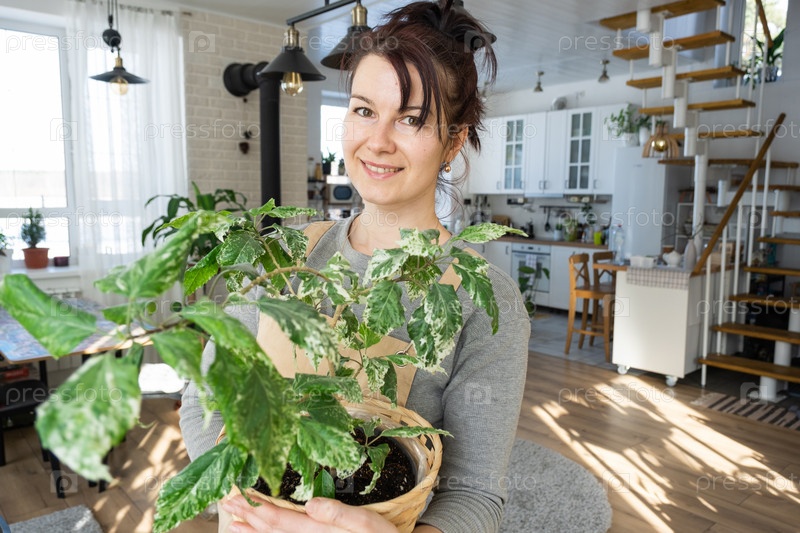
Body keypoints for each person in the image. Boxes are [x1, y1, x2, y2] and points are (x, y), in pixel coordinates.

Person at [179, 1, 530, 531]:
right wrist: (242, 503)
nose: (378, 141)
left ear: (454, 141)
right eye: (364, 110)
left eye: (411, 119)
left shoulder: (483, 300)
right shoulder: (284, 256)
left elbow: (475, 493)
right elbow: (203, 398)